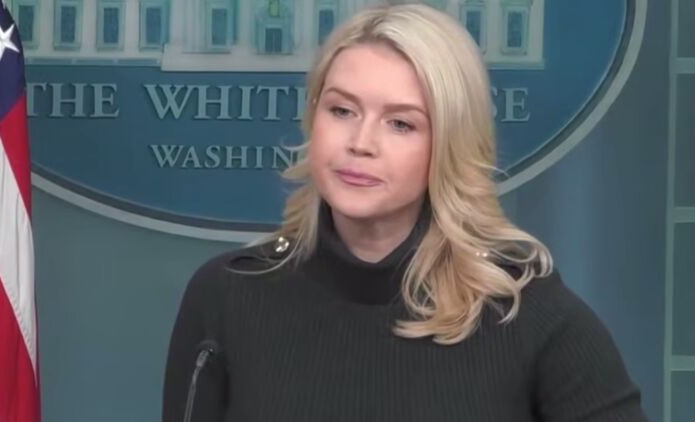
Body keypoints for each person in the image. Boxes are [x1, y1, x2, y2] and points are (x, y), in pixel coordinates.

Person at [162, 3, 648, 421]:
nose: (361, 143)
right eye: (342, 110)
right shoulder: (226, 296)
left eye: (400, 124)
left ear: (449, 144)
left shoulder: (527, 313)